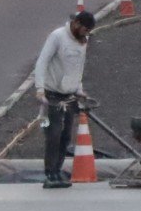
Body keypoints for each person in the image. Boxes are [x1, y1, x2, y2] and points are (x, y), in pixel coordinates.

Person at [34, 10, 96, 188]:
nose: (86, 34)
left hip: (70, 96)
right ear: (76, 24)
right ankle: (50, 173)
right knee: (53, 134)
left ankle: (58, 169)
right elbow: (42, 62)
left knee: (65, 136)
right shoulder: (57, 37)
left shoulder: (83, 41)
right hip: (52, 96)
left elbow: (77, 66)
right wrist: (40, 89)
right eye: (85, 30)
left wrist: (79, 89)